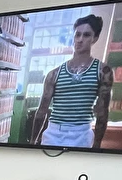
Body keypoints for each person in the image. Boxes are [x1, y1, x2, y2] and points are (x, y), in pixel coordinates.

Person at [32, 14, 114, 149]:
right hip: (54, 133)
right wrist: (33, 142)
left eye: (86, 35)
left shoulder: (103, 72)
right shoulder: (54, 74)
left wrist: (97, 144)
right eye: (77, 35)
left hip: (82, 133)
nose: (80, 40)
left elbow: (102, 111)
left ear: (94, 38)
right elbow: (42, 110)